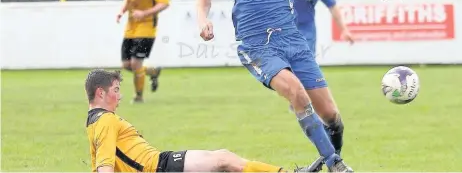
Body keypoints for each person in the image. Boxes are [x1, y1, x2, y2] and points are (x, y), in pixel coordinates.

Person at [195, 0, 404, 173]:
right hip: (257, 46)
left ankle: (326, 160)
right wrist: (202, 19)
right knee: (296, 93)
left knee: (331, 116)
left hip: (293, 41)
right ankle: (336, 164)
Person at [84, 69, 313, 172]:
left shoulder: (95, 122)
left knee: (224, 160)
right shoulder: (104, 121)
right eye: (115, 89)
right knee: (224, 160)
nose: (120, 95)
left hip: (159, 165)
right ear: (100, 93)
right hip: (159, 167)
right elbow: (105, 169)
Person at [117, 0, 169, 104]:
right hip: (130, 27)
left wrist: (145, 13)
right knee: (126, 65)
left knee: (135, 63)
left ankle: (138, 96)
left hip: (147, 28)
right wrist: (121, 11)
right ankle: (152, 71)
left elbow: (165, 2)